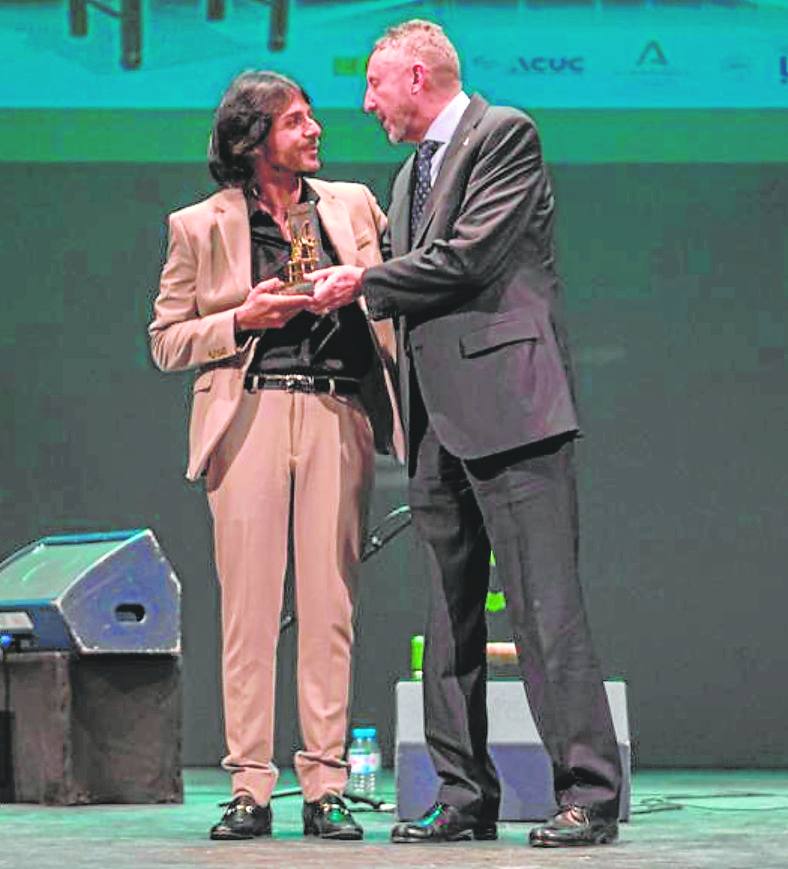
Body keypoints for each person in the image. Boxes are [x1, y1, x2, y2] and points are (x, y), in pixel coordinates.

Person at [307, 20, 622, 848]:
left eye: (374, 84)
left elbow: (469, 258)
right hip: (435, 419)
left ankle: (588, 792)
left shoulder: (502, 135)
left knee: (543, 608)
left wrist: (363, 281)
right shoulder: (408, 172)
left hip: (511, 410)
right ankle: (462, 794)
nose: (366, 103)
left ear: (417, 77)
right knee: (448, 620)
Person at [149, 70, 402, 842]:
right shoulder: (198, 226)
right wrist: (241, 317)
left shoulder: (353, 205)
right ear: (253, 139)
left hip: (336, 411)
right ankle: (250, 786)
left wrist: (357, 289)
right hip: (249, 413)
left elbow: (398, 286)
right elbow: (166, 340)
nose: (315, 129)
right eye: (296, 121)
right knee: (250, 609)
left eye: (311, 116)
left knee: (330, 604)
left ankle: (325, 785)